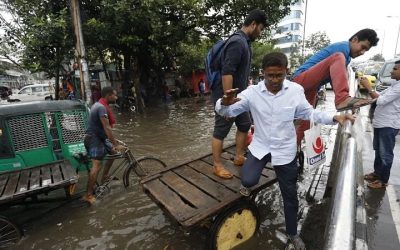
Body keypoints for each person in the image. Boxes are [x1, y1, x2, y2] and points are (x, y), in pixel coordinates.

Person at [215, 52, 355, 249]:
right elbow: (227, 112)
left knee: (289, 194)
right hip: (260, 146)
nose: (274, 80)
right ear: (262, 73)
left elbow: (309, 112)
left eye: (279, 75)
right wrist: (224, 104)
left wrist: (334, 118)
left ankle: (292, 233)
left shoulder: (295, 90)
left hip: (285, 149)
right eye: (270, 75)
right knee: (248, 180)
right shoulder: (251, 93)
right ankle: (247, 184)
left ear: (286, 72)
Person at [293, 28, 379, 146]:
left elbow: (337, 80)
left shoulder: (347, 57)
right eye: (363, 47)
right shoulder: (342, 49)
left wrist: (350, 104)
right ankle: (342, 99)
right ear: (354, 40)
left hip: (312, 87)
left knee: (306, 122)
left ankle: (293, 148)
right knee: (337, 57)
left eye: (366, 50)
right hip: (300, 80)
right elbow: (338, 80)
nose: (362, 52)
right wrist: (343, 99)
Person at [211, 9, 267, 179]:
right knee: (220, 130)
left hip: (241, 97)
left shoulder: (245, 42)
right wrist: (228, 101)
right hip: (228, 98)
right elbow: (227, 72)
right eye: (261, 29)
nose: (261, 33)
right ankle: (217, 165)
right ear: (253, 24)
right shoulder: (237, 42)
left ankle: (238, 156)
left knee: (244, 124)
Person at [82, 87, 125, 204]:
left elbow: (105, 129)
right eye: (114, 95)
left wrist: (114, 143)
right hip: (94, 138)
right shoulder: (101, 108)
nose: (116, 97)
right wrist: (115, 143)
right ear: (108, 95)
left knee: (114, 152)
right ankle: (88, 195)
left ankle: (105, 176)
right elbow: (107, 128)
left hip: (99, 137)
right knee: (96, 166)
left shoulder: (99, 105)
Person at [361, 60, 400, 189]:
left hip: (389, 124)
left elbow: (381, 101)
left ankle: (383, 180)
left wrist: (368, 87)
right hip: (380, 123)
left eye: (395, 69)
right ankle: (377, 173)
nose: (391, 71)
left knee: (385, 154)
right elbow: (377, 96)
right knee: (378, 151)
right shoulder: (394, 84)